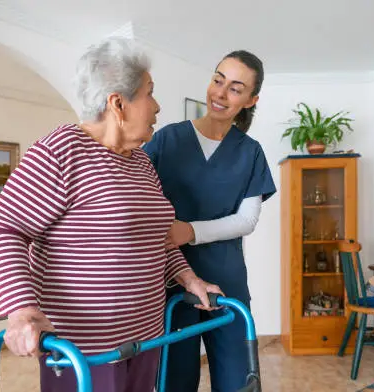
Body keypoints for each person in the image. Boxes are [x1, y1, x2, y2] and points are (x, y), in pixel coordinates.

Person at [0, 37, 223, 392]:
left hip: (146, 336)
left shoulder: (141, 162)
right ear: (118, 103)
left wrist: (190, 279)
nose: (157, 106)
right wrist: (21, 309)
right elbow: (4, 227)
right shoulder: (60, 151)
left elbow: (157, 237)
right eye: (149, 92)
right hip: (86, 347)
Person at [142, 50, 276, 392]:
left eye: (235, 88)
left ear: (250, 99)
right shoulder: (166, 140)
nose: (220, 93)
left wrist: (190, 231)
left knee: (237, 377)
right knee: (174, 377)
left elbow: (247, 219)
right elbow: (139, 199)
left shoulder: (250, 152)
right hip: (170, 278)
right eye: (218, 80)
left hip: (226, 277)